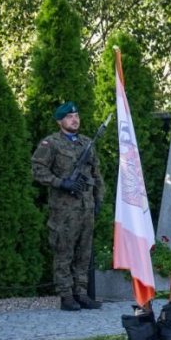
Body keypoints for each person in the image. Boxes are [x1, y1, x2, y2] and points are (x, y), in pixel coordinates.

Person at [31, 102, 104, 311]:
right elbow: (38, 169)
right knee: (64, 252)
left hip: (86, 207)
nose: (75, 119)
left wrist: (98, 199)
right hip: (63, 210)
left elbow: (96, 175)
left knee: (84, 252)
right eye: (70, 116)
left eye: (77, 115)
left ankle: (81, 293)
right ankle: (66, 295)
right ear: (60, 121)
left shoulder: (87, 143)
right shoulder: (50, 144)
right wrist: (61, 183)